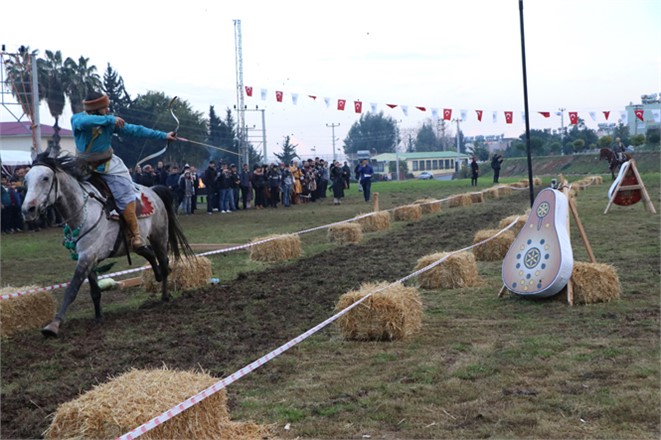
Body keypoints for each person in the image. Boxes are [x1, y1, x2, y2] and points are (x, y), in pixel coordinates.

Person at [71, 91, 176, 251]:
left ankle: (135, 235)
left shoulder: (109, 122)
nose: (107, 110)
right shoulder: (78, 119)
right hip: (82, 168)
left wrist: (163, 136)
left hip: (108, 167)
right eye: (105, 108)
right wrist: (110, 119)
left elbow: (136, 130)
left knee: (125, 195)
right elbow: (85, 123)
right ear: (97, 109)